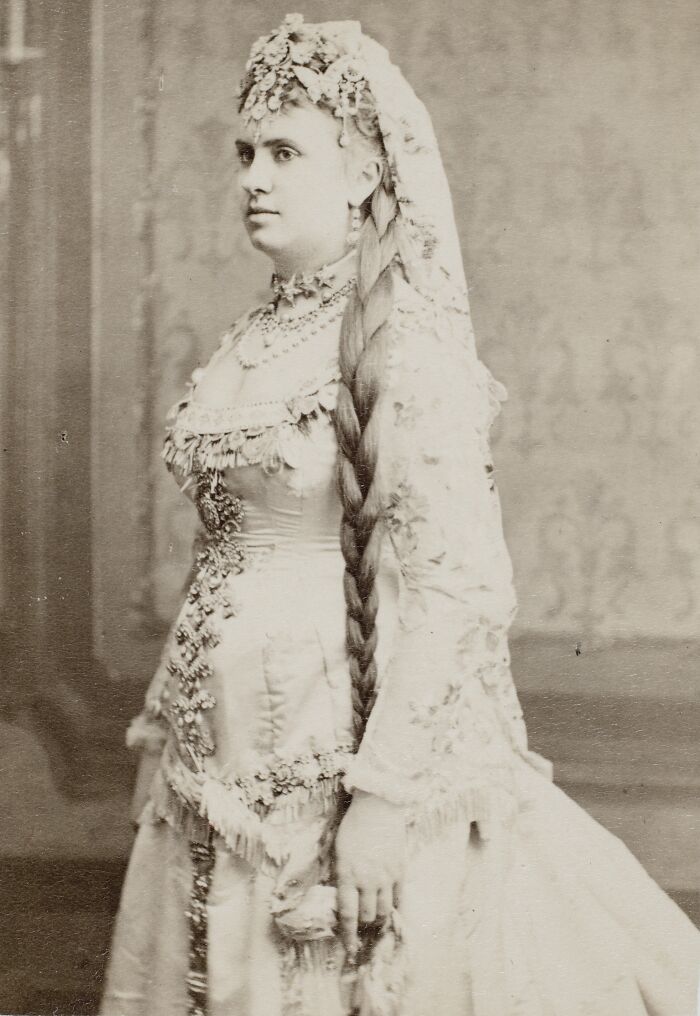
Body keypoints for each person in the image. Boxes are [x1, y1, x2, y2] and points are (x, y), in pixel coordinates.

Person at [100, 14, 700, 1016]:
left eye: (285, 152)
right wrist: (170, 734)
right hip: (220, 755)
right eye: (245, 153)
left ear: (364, 172)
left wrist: (382, 798)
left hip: (345, 741)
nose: (253, 178)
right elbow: (223, 555)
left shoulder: (406, 346)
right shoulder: (252, 339)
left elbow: (461, 586)